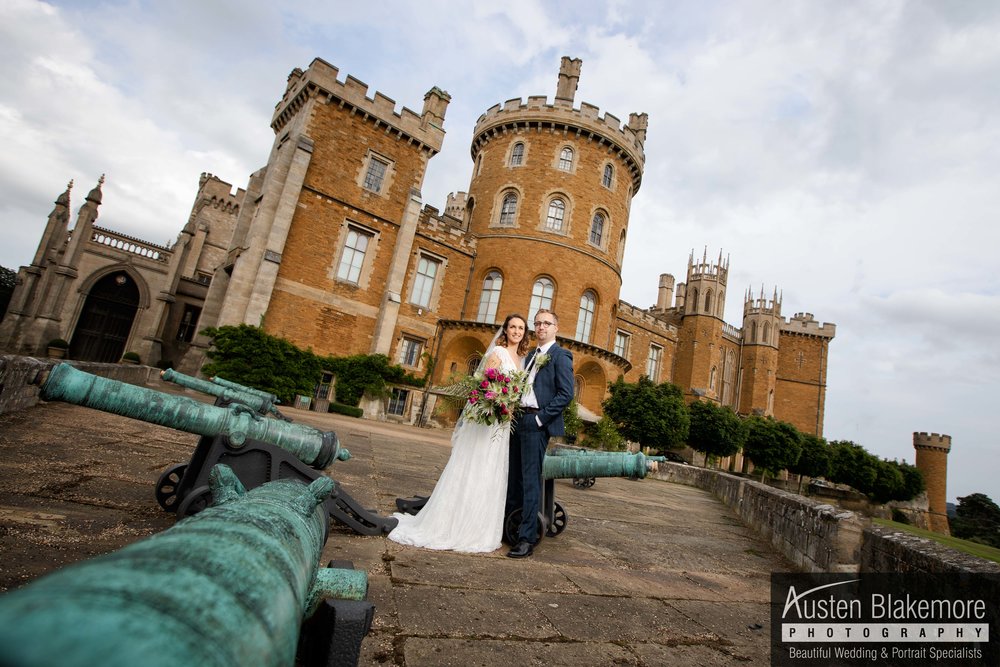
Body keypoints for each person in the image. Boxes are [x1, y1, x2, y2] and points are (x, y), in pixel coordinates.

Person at [388, 313, 530, 552]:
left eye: (521, 328)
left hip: (503, 424)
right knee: (476, 466)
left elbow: (517, 390)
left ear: (525, 333)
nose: (516, 331)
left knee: (492, 471)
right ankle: (455, 524)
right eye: (512, 327)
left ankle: (480, 525)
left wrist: (510, 405)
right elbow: (484, 384)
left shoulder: (521, 358)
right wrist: (497, 401)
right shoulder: (498, 353)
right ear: (505, 330)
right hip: (490, 419)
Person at [505, 309, 574, 559]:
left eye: (546, 323)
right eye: (537, 323)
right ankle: (510, 529)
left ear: (556, 327)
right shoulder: (532, 355)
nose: (541, 327)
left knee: (531, 481)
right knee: (514, 478)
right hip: (518, 420)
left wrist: (539, 419)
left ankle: (526, 538)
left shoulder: (561, 355)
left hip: (536, 423)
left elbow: (566, 394)